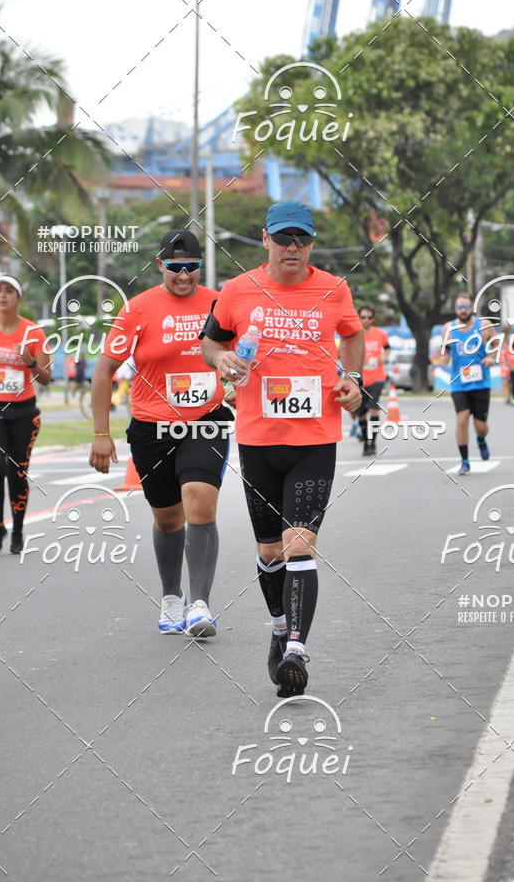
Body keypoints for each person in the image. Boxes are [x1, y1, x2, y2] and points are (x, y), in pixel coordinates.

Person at [201, 201, 364, 697]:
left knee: (299, 544)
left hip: (315, 437)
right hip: (256, 438)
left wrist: (354, 379)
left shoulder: (334, 290)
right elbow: (208, 343)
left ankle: (296, 648)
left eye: (303, 240)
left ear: (311, 244)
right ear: (265, 238)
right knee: (269, 550)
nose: (293, 248)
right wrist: (223, 357)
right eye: (284, 238)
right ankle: (277, 626)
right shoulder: (236, 290)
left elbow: (352, 336)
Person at [89, 229, 233, 635]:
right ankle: (172, 597)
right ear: (160, 265)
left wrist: (239, 386)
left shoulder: (220, 304)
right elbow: (103, 371)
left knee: (200, 500)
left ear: (200, 268)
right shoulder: (138, 309)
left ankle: (201, 604)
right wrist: (101, 433)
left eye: (191, 268)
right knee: (168, 518)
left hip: (206, 420)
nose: (184, 276)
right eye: (175, 268)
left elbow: (244, 355)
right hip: (152, 426)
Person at [0, 275, 51, 553]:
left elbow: (45, 378)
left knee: (17, 473)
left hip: (23, 411)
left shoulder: (33, 333)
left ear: (18, 298)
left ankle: (18, 530)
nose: (2, 295)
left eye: (9, 290)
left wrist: (30, 362)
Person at [438, 292, 496, 475]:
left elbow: (496, 346)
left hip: (481, 383)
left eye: (465, 307)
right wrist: (442, 360)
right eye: (459, 307)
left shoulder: (484, 326)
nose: (462, 310)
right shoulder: (448, 328)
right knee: (462, 419)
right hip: (459, 383)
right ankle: (464, 460)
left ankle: (481, 439)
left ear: (472, 307)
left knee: (480, 426)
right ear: (455, 309)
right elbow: (446, 352)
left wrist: (491, 358)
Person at [355, 305, 390, 456]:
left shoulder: (380, 334)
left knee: (373, 409)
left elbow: (387, 348)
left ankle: (373, 443)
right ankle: (365, 440)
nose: (366, 320)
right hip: (360, 378)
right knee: (361, 414)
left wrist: (384, 356)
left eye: (369, 317)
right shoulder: (354, 334)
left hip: (377, 377)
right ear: (359, 318)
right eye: (363, 317)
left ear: (373, 319)